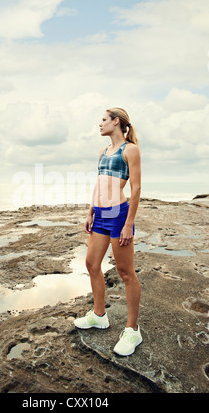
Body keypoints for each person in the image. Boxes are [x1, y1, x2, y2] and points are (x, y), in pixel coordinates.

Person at [74, 107, 142, 357]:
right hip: (101, 214)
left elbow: (135, 189)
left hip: (118, 214)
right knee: (92, 263)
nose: (99, 124)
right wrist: (91, 211)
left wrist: (128, 223)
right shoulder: (103, 152)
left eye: (103, 120)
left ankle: (133, 330)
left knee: (125, 272)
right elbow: (99, 183)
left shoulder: (130, 150)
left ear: (116, 122)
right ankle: (99, 315)